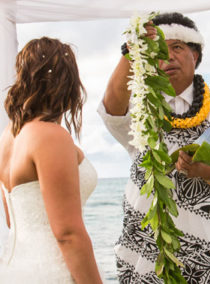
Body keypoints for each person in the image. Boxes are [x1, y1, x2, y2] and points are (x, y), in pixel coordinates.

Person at [98, 12, 210, 283]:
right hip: (147, 253)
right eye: (158, 50)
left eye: (177, 48)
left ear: (195, 54)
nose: (167, 57)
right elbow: (111, 107)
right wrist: (132, 48)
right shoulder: (140, 103)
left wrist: (204, 169)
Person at [0, 37, 103, 283]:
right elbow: (68, 234)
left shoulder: (9, 135)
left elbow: (11, 219)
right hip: (52, 273)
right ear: (68, 82)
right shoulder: (51, 136)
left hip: (15, 269)